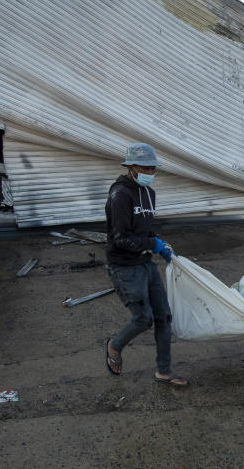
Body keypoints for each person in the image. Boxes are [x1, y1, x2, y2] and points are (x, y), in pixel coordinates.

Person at [103, 142, 188, 386]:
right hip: (124, 266)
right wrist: (153, 244)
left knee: (164, 316)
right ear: (131, 167)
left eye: (153, 169)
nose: (150, 173)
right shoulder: (120, 194)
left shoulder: (149, 194)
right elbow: (120, 238)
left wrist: (160, 243)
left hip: (145, 262)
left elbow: (145, 227)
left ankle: (164, 370)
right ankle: (114, 345)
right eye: (145, 168)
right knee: (143, 318)